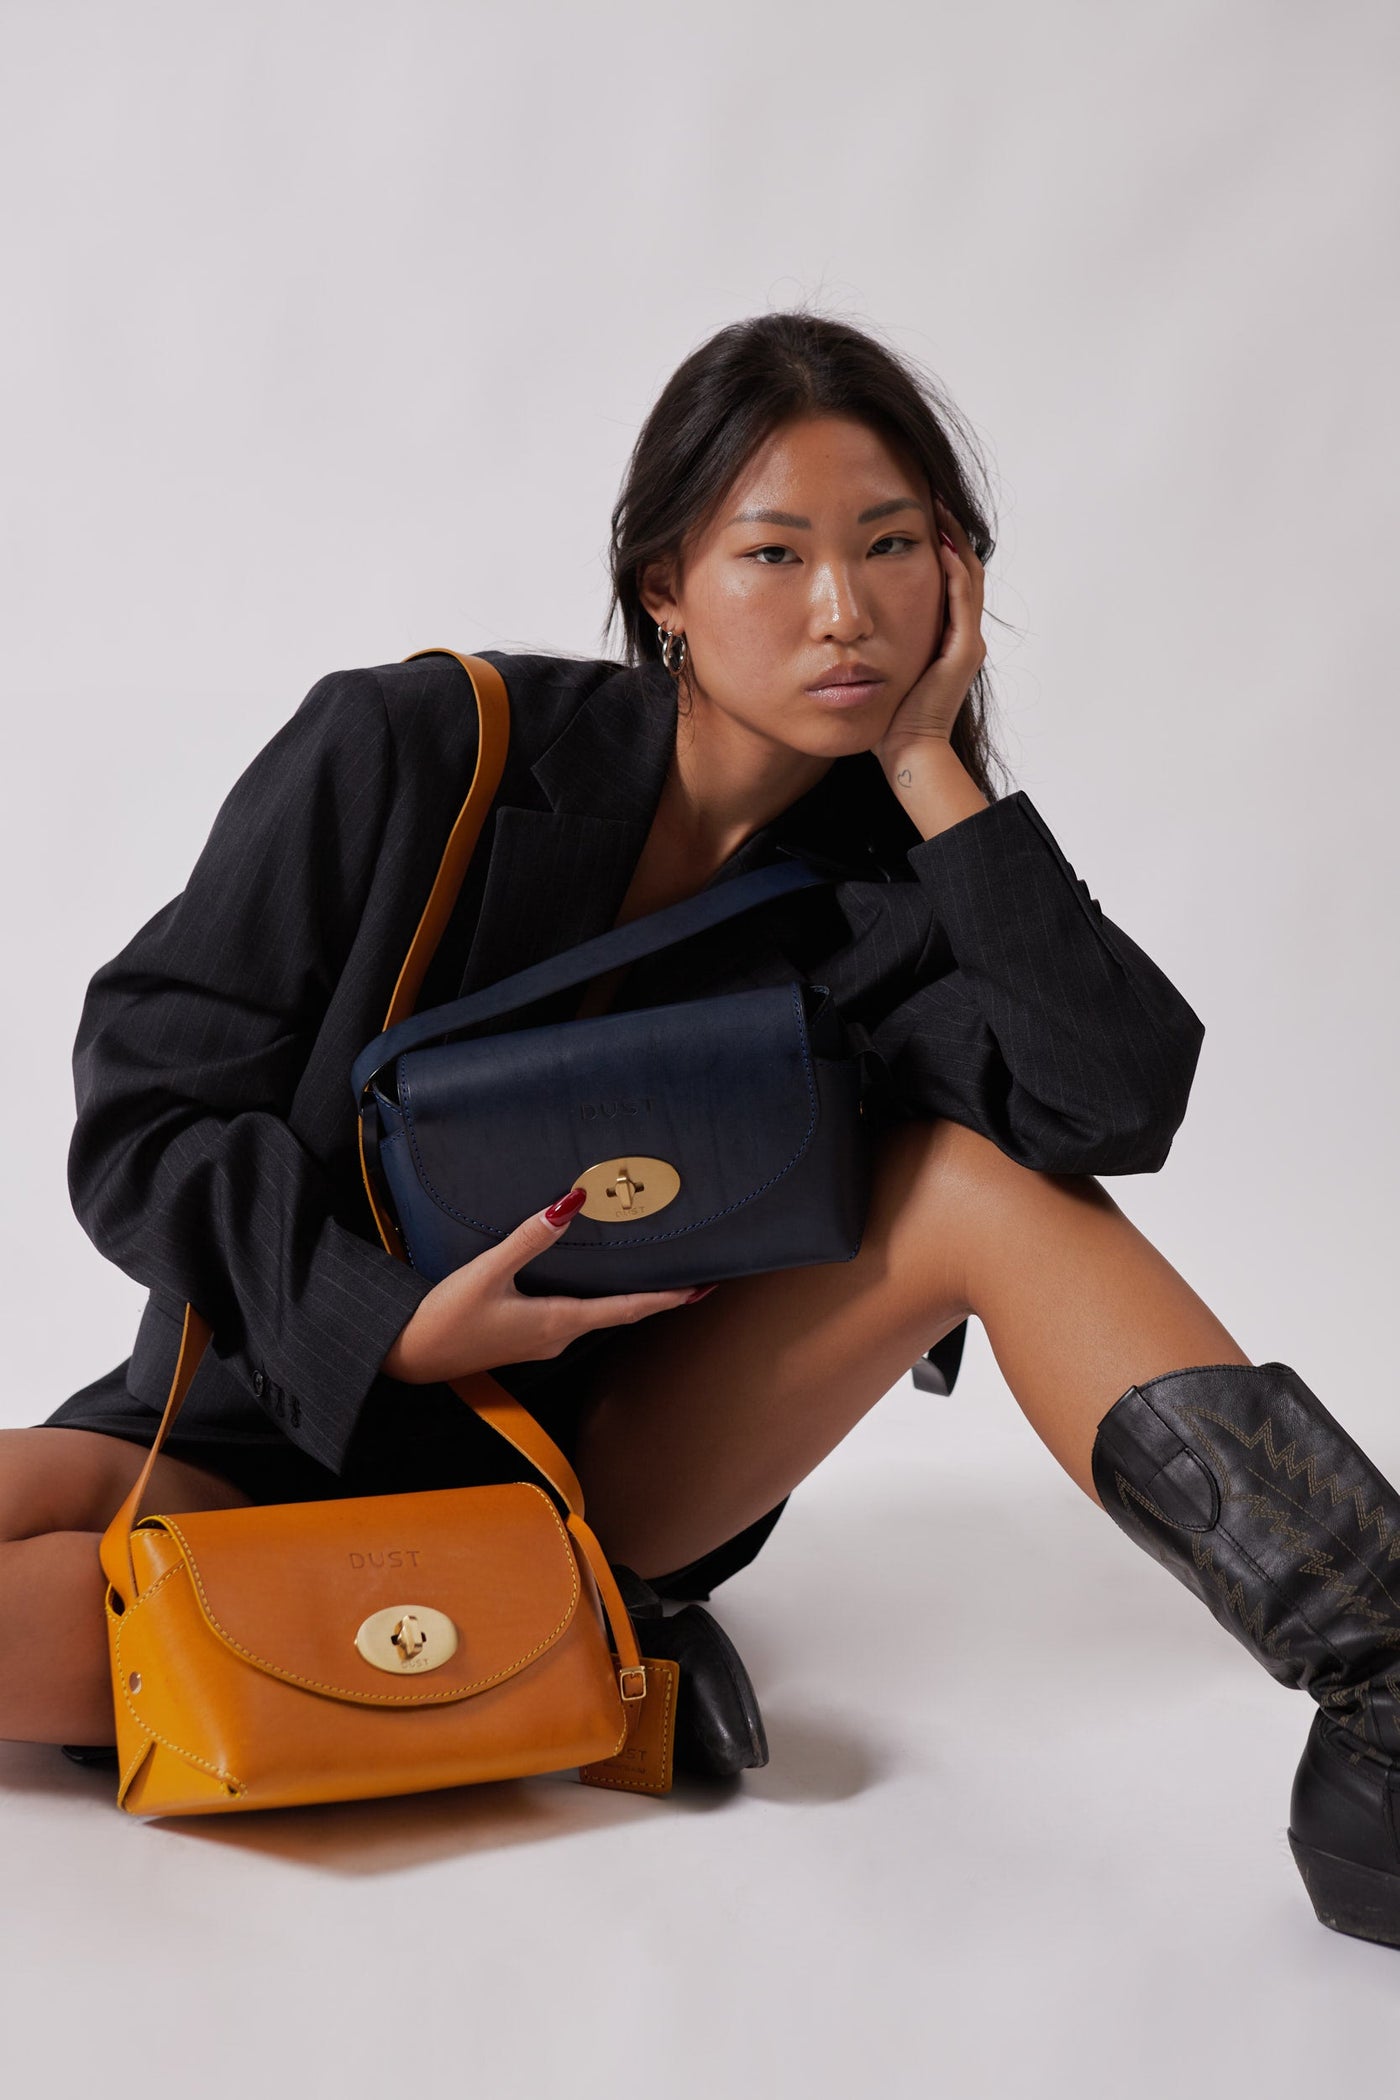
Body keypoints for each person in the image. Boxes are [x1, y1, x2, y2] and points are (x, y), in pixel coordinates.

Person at [5, 312, 1397, 1947]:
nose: (843, 609)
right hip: (274, 1419)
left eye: (891, 547)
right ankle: (573, 1680)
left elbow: (1112, 1103)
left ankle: (1382, 1692)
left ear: (956, 575)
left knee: (975, 1185)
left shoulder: (894, 902)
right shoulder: (415, 749)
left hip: (586, 1482)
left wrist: (934, 769)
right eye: (775, 554)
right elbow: (147, 1102)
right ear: (665, 582)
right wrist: (389, 1329)